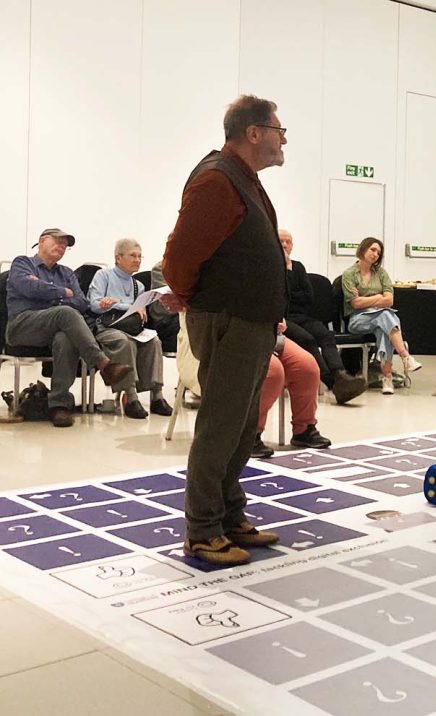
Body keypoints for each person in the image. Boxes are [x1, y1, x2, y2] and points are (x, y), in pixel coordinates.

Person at [161, 94, 288, 566]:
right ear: (254, 133)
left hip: (248, 322)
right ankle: (202, 529)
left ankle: (231, 515)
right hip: (229, 321)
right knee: (220, 427)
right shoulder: (217, 180)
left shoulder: (243, 179)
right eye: (278, 130)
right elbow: (179, 258)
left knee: (239, 429)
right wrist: (200, 301)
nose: (282, 139)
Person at [4, 228, 133, 427]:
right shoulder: (22, 263)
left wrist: (48, 296)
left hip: (53, 329)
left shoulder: (65, 272)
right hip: (22, 325)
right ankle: (104, 365)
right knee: (65, 313)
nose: (62, 247)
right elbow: (29, 287)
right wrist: (63, 293)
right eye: (57, 241)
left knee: (64, 337)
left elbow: (82, 303)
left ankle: (58, 405)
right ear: (41, 241)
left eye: (65, 245)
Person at [278, 229, 367, 404]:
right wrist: (289, 283)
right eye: (281, 241)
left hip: (302, 316)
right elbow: (280, 298)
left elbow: (308, 297)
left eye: (288, 241)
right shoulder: (271, 267)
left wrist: (292, 295)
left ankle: (340, 374)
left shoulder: (298, 267)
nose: (285, 245)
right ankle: (334, 384)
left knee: (325, 335)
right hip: (282, 318)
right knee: (308, 340)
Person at [87, 238, 172, 419]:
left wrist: (119, 303)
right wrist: (121, 305)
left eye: (140, 256)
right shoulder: (104, 276)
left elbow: (141, 311)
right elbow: (94, 305)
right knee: (123, 342)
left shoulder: (138, 285)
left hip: (131, 327)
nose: (138, 260)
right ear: (118, 258)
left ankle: (157, 395)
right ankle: (130, 396)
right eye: (133, 255)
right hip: (107, 327)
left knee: (154, 341)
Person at [339, 237, 422, 395]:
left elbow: (389, 300)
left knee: (384, 330)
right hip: (357, 320)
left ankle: (387, 377)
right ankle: (405, 356)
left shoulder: (381, 273)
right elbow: (355, 304)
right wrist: (378, 298)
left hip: (378, 319)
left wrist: (367, 299)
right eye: (373, 250)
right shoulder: (349, 274)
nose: (376, 254)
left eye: (378, 252)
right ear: (363, 249)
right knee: (385, 316)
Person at [252, 329, 332, 458]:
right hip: (238, 332)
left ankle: (304, 429)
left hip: (270, 333)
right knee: (272, 372)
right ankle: (249, 434)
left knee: (306, 367)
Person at [147, 255, 180, 354]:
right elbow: (172, 297)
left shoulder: (192, 266)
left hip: (180, 313)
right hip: (165, 317)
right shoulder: (160, 268)